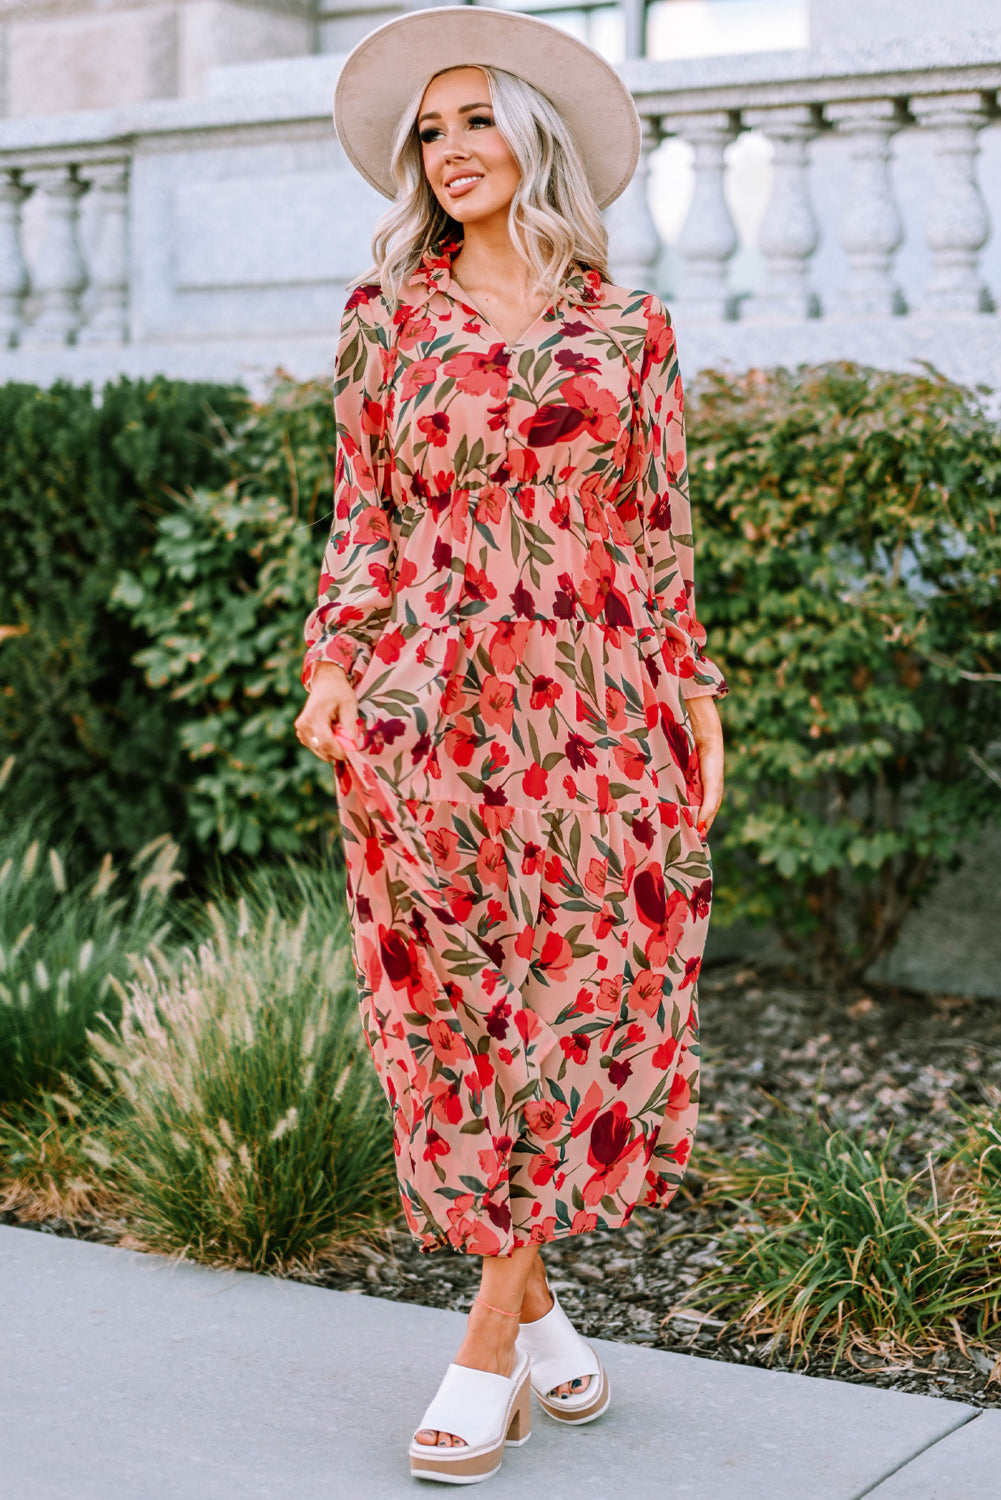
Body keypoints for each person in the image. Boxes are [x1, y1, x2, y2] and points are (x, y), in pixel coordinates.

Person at [294, 6, 728, 1484]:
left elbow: (658, 534)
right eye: (430, 129)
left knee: (581, 992)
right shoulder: (385, 322)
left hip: (599, 702)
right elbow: (364, 518)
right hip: (427, 702)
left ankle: (490, 1338)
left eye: (476, 118)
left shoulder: (631, 326)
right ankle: (529, 1320)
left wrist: (697, 693)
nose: (452, 149)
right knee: (456, 1009)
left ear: (531, 134)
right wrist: (333, 668)